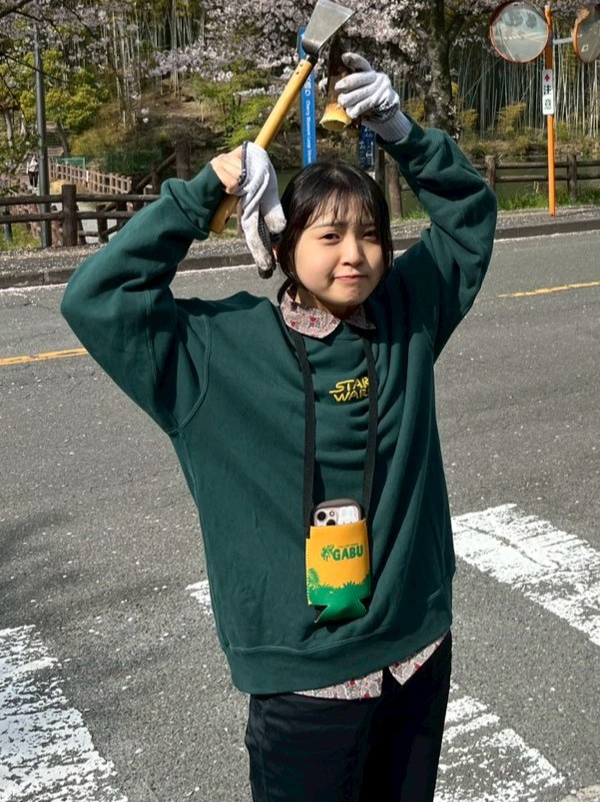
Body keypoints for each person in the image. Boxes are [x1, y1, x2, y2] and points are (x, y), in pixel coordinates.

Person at [60, 52, 497, 801]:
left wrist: (401, 131)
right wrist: (209, 188)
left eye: (370, 235)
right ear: (282, 245)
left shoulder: (406, 316)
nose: (355, 255)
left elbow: (469, 220)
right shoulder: (219, 350)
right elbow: (97, 299)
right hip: (305, 682)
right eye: (329, 236)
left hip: (416, 654)